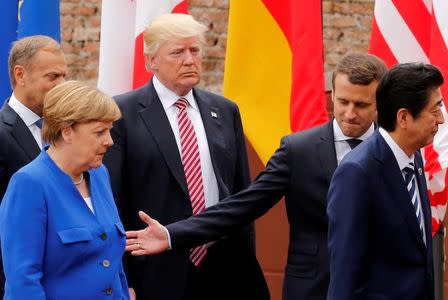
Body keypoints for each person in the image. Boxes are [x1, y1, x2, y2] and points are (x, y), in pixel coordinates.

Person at [124, 52, 387, 299]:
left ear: (380, 102)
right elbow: (241, 206)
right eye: (342, 102)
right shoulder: (299, 150)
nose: (350, 114)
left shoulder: (397, 150)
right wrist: (172, 234)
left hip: (384, 286)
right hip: (316, 288)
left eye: (362, 105)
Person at [102, 14, 269, 300]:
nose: (190, 60)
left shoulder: (225, 111)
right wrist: (123, 278)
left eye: (195, 50)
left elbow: (241, 196)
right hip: (155, 271)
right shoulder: (121, 114)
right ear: (151, 61)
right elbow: (113, 201)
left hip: (225, 267)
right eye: (177, 52)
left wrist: (246, 262)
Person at [0, 81, 130, 300]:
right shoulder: (29, 184)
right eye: (99, 132)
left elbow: (112, 263)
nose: (109, 141)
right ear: (67, 131)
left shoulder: (99, 174)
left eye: (110, 130)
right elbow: (23, 281)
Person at [327, 63, 443, 299]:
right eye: (435, 110)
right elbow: (345, 273)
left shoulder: (414, 156)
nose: (440, 119)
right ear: (403, 117)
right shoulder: (356, 173)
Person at [0, 35, 67, 296]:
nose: (62, 85)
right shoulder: (2, 134)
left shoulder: (65, 131)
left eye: (64, 76)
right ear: (20, 74)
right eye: (52, 77)